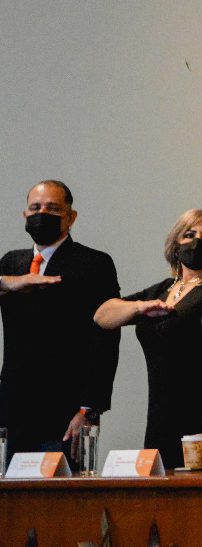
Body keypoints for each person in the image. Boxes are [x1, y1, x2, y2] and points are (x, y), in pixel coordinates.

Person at [93, 210, 202, 468]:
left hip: (201, 416)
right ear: (176, 243)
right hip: (159, 416)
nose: (197, 242)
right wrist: (140, 307)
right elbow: (102, 315)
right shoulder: (163, 289)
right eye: (189, 235)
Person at [0, 181, 120, 469]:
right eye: (35, 207)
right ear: (25, 214)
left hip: (65, 411)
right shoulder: (12, 263)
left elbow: (105, 339)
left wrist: (89, 409)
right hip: (13, 410)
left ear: (70, 217)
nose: (42, 214)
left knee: (61, 491)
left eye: (52, 208)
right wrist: (8, 282)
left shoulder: (93, 262)